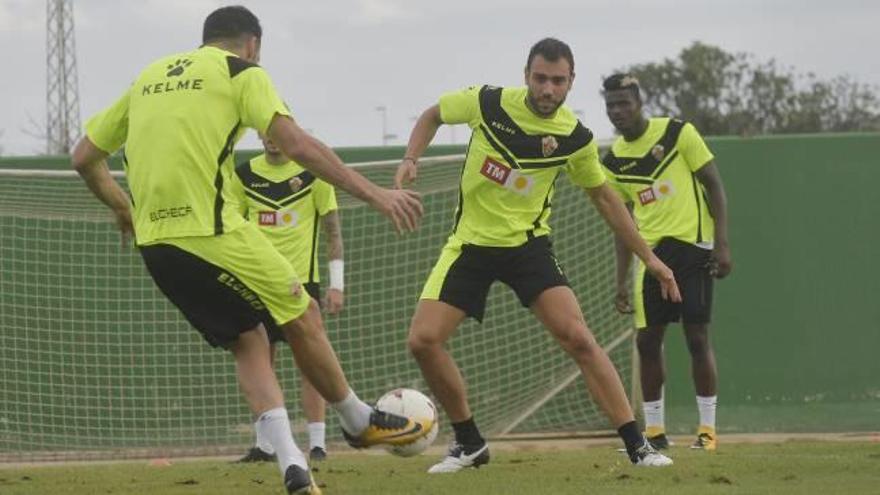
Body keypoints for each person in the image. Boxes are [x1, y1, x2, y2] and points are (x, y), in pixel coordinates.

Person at [71, 6, 430, 494]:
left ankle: (292, 465)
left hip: (156, 247)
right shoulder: (243, 72)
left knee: (249, 338)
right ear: (253, 44)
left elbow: (84, 157)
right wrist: (378, 194)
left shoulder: (147, 79)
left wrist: (122, 210)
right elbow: (297, 143)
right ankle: (355, 418)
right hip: (213, 233)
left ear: (204, 40)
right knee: (303, 315)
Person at [394, 38, 679, 473]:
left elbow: (605, 198)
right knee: (422, 341)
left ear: (571, 83)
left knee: (580, 339)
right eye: (541, 78)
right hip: (470, 245)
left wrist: (651, 259)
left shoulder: (574, 137)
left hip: (527, 247)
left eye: (558, 81)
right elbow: (433, 115)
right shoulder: (486, 104)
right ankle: (469, 443)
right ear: (526, 75)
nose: (548, 89)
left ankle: (638, 446)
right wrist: (411, 158)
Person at [600, 74, 732, 451]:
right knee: (647, 341)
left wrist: (721, 243)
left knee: (696, 337)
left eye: (624, 102)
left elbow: (714, 184)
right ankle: (655, 433)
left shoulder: (678, 133)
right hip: (651, 257)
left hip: (694, 248)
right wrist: (621, 279)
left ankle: (707, 431)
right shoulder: (613, 163)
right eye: (611, 105)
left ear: (640, 101)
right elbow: (622, 224)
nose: (618, 111)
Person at [233, 133, 345, 464]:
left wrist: (336, 284)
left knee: (310, 365)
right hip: (257, 283)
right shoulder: (244, 175)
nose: (272, 140)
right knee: (259, 363)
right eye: (265, 133)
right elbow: (235, 231)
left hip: (302, 286)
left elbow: (333, 233)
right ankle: (265, 446)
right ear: (259, 135)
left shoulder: (313, 173)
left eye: (277, 132)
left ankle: (318, 444)